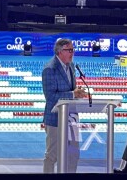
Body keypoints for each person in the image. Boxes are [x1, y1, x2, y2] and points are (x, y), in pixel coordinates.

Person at [42, 38, 89, 173]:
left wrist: (77, 93)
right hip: (55, 119)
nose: (72, 53)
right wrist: (73, 94)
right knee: (52, 155)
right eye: (69, 50)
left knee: (73, 154)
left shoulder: (72, 66)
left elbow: (71, 89)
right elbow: (50, 97)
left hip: (71, 118)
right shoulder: (50, 69)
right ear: (60, 51)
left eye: (73, 50)